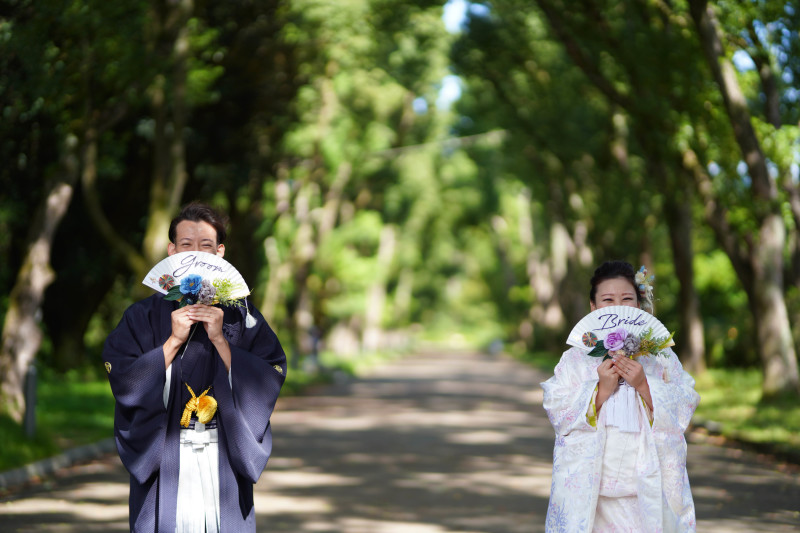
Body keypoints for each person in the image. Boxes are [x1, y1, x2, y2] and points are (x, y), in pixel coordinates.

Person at [103, 203, 287, 532]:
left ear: (220, 253)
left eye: (205, 246)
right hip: (166, 454)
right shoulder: (141, 317)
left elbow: (270, 373)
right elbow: (125, 378)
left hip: (224, 453)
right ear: (171, 250)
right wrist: (173, 341)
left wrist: (220, 340)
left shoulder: (242, 316)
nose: (195, 254)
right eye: (186, 245)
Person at [541, 260, 699, 532]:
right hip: (593, 492)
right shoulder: (575, 359)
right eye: (607, 299)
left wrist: (644, 386)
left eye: (627, 298)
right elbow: (556, 406)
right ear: (593, 307)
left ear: (639, 304)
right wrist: (599, 391)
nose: (617, 307)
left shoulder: (659, 355)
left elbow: (686, 399)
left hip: (646, 488)